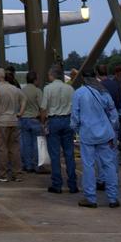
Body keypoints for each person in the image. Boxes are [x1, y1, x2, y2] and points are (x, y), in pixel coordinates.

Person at [71, 73, 121, 208]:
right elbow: (113, 112)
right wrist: (113, 129)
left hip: (87, 133)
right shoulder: (103, 91)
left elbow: (75, 115)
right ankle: (113, 198)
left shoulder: (79, 93)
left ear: (83, 79)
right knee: (109, 165)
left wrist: (75, 130)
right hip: (105, 132)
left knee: (88, 165)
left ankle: (91, 198)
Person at [40, 64, 78, 194]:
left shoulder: (48, 88)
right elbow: (74, 106)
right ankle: (73, 184)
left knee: (55, 154)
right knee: (69, 153)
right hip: (67, 120)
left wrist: (43, 122)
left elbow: (44, 108)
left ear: (52, 75)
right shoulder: (70, 88)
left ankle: (57, 184)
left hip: (54, 121)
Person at [0, 69, 25, 182]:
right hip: (14, 121)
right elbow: (24, 99)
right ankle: (17, 174)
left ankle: (2, 175)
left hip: (1, 122)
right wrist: (20, 113)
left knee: (2, 149)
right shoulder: (15, 89)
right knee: (14, 149)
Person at [18, 71, 42, 173]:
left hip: (23, 119)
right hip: (34, 119)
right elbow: (42, 107)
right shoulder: (37, 91)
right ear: (35, 80)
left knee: (25, 144)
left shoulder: (21, 91)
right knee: (36, 144)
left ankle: (27, 165)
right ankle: (36, 165)